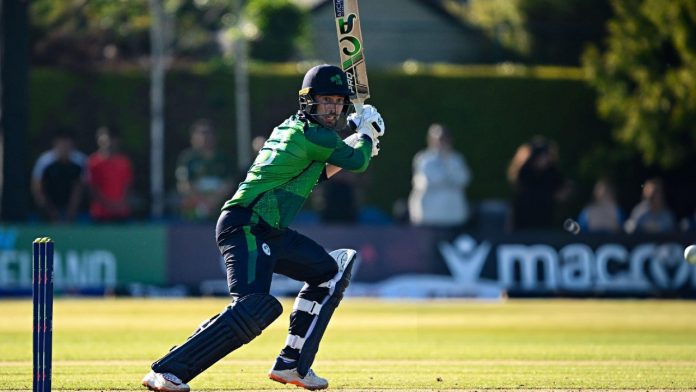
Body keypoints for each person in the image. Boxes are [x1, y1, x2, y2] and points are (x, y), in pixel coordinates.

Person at [141, 64, 385, 392]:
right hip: (246, 225)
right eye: (324, 99)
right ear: (308, 101)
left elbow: (320, 171)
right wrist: (367, 136)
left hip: (269, 230)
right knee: (255, 306)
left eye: (338, 101)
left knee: (329, 271)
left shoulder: (297, 130)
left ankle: (293, 364)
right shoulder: (311, 135)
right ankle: (168, 371)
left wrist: (361, 139)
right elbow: (358, 161)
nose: (332, 108)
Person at [408, 123, 471, 229]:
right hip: (429, 217)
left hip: (453, 217)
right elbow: (431, 180)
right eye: (438, 139)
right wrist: (450, 179)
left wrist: (447, 161)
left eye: (444, 138)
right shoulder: (423, 159)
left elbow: (463, 179)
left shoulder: (456, 159)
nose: (441, 142)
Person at [175, 119, 236, 221]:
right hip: (194, 209)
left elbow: (230, 183)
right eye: (201, 133)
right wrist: (202, 202)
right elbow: (183, 184)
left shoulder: (224, 159)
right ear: (193, 137)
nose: (205, 137)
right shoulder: (187, 159)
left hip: (221, 208)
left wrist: (213, 201)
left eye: (208, 133)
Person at [507, 136, 570, 230]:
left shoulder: (552, 171)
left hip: (546, 218)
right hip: (524, 219)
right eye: (542, 156)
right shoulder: (524, 172)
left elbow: (563, 190)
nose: (545, 160)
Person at [31, 130, 87, 222]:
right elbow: (37, 189)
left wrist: (71, 212)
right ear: (55, 143)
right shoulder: (44, 161)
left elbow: (80, 188)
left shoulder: (81, 161)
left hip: (75, 213)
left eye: (68, 144)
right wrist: (51, 213)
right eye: (62, 143)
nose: (65, 147)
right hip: (48, 209)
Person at [86, 126, 133, 222]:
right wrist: (108, 205)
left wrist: (120, 204)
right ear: (98, 140)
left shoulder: (124, 162)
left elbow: (127, 185)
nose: (108, 142)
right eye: (105, 138)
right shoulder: (93, 162)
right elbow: (92, 188)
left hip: (121, 213)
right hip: (99, 214)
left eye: (111, 138)